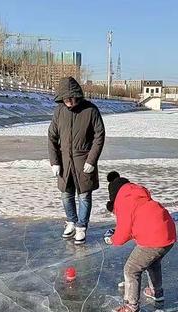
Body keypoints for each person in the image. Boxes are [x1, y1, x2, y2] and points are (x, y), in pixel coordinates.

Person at [104, 171, 177, 312]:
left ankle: (131, 306)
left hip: (153, 239)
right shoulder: (138, 195)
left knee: (131, 269)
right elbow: (139, 222)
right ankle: (156, 292)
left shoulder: (124, 202)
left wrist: (112, 239)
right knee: (153, 263)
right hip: (168, 233)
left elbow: (123, 232)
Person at [48, 77, 105, 245]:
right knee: (66, 195)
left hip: (84, 161)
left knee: (84, 196)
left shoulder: (91, 110)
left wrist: (91, 160)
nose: (68, 102)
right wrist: (54, 161)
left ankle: (81, 227)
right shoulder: (59, 111)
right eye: (65, 99)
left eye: (70, 98)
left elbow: (99, 136)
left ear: (77, 95)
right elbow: (52, 136)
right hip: (65, 161)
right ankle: (71, 222)